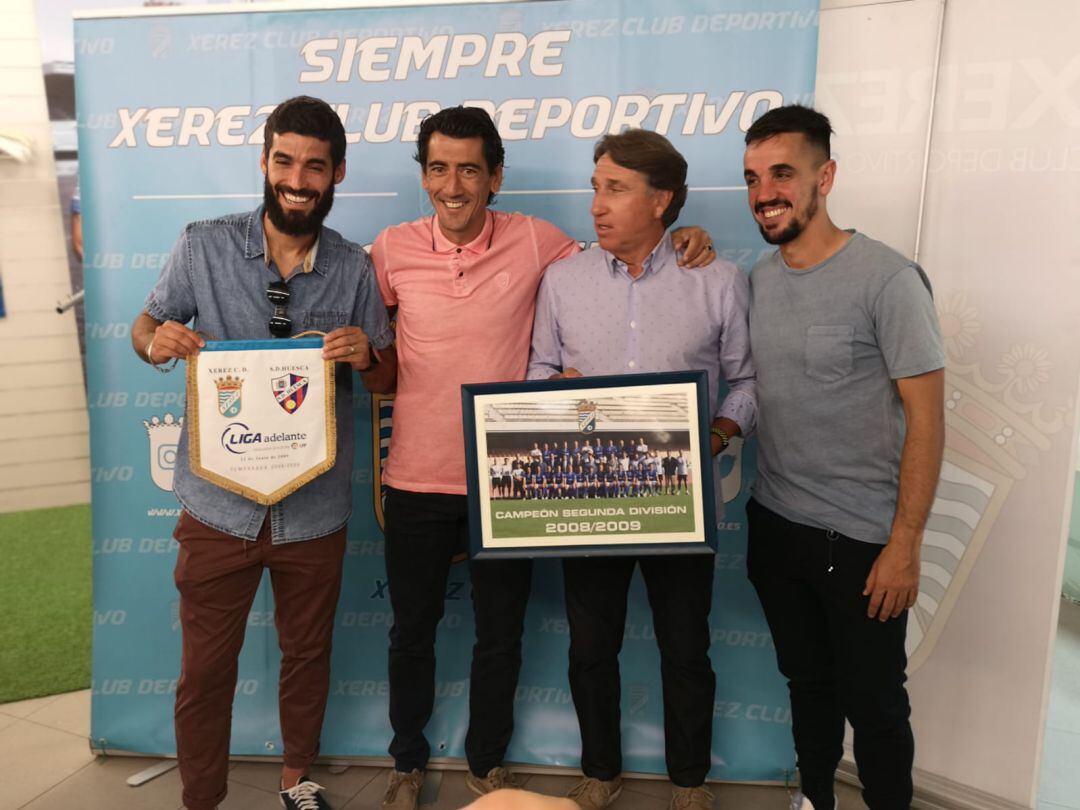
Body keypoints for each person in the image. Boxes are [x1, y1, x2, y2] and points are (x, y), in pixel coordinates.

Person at [370, 106, 717, 810]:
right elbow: (375, 354)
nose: (453, 185)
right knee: (411, 635)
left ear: (495, 177)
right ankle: (406, 763)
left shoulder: (541, 243)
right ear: (424, 176)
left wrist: (683, 237)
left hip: (510, 481)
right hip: (413, 478)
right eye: (438, 168)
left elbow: (624, 261)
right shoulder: (389, 249)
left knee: (500, 638)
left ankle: (486, 765)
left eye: (470, 169)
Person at [129, 96, 396, 810]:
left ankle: (295, 778)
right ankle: (201, 798)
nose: (297, 179)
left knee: (307, 656)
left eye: (315, 166)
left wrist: (367, 355)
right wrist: (157, 342)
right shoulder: (202, 245)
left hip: (315, 510)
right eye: (285, 160)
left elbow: (387, 378)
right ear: (265, 161)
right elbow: (145, 325)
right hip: (217, 507)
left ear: (338, 172)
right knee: (205, 670)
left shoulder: (355, 268)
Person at [526, 128, 757, 810]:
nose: (596, 205)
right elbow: (537, 372)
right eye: (596, 187)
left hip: (680, 500)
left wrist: (716, 433)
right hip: (586, 498)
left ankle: (689, 781)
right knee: (590, 647)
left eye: (616, 189)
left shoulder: (717, 281)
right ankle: (600, 772)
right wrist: (552, 394)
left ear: (661, 201)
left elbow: (747, 381)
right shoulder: (561, 281)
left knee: (685, 647)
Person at [741, 104, 945, 810]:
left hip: (862, 543)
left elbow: (928, 421)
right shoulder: (758, 278)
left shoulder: (888, 279)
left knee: (876, 704)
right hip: (775, 526)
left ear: (825, 177)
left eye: (783, 174)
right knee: (808, 686)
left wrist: (905, 545)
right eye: (753, 178)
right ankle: (816, 799)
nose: (765, 192)